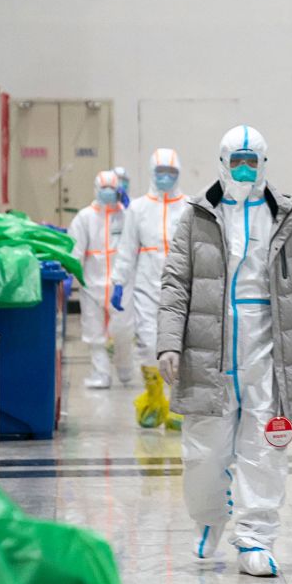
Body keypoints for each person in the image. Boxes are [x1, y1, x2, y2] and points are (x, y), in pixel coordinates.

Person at [157, 125, 292, 576]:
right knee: (203, 453)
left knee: (264, 448)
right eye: (236, 160)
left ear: (264, 164)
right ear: (221, 160)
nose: (243, 168)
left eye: (251, 161)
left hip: (269, 347)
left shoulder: (287, 217)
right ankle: (210, 517)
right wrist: (168, 343)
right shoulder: (197, 214)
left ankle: (256, 537)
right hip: (207, 345)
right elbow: (176, 283)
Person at [112, 148, 187, 428]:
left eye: (171, 172)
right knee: (148, 341)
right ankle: (154, 399)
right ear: (152, 173)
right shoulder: (138, 208)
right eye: (160, 172)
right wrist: (119, 282)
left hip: (181, 285)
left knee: (181, 345)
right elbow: (128, 247)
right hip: (146, 284)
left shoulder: (189, 207)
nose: (165, 177)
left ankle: (177, 404)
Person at [69, 169, 135, 389]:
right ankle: (101, 374)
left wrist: (129, 206)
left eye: (112, 189)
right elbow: (75, 250)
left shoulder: (126, 215)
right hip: (92, 285)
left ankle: (125, 369)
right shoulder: (85, 217)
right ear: (96, 189)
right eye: (103, 189)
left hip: (120, 285)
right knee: (94, 333)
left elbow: (137, 237)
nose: (108, 193)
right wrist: (70, 276)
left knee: (124, 331)